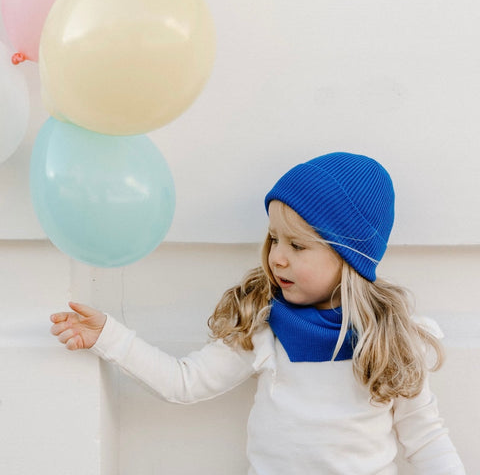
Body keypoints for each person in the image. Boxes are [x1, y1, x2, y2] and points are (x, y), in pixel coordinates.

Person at [50, 152, 465, 474]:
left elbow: (426, 439)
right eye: (273, 239)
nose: (277, 258)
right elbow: (184, 381)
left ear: (349, 259)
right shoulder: (266, 329)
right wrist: (109, 336)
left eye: (297, 246)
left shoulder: (391, 343)